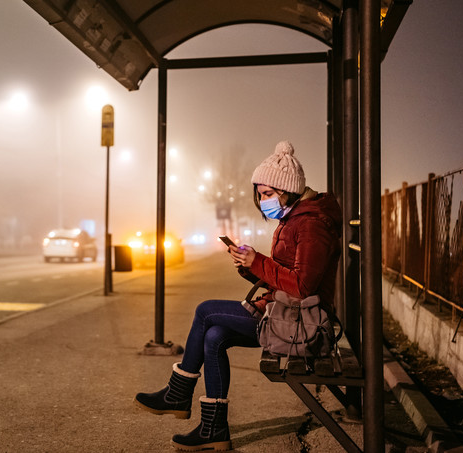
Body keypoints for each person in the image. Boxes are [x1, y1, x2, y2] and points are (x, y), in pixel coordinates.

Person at [133, 140, 342, 451]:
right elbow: (284, 276)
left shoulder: (310, 224)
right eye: (260, 194)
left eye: (268, 194)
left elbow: (302, 287)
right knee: (214, 336)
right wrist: (249, 266)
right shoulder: (297, 218)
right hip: (284, 313)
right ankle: (213, 429)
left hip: (302, 324)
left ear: (289, 191)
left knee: (205, 311)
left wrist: (257, 261)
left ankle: (178, 393)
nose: (262, 200)